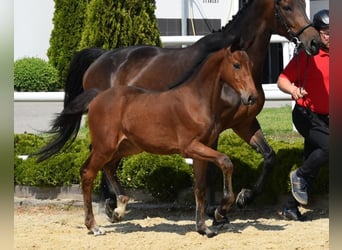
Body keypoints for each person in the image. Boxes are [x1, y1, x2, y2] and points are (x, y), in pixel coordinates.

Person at [277, 9, 329, 221]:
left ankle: (290, 207)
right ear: (316, 33)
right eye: (326, 32)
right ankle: (298, 175)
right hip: (306, 115)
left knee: (313, 163)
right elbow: (282, 79)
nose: (331, 36)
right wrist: (293, 91)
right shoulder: (308, 56)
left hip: (327, 118)